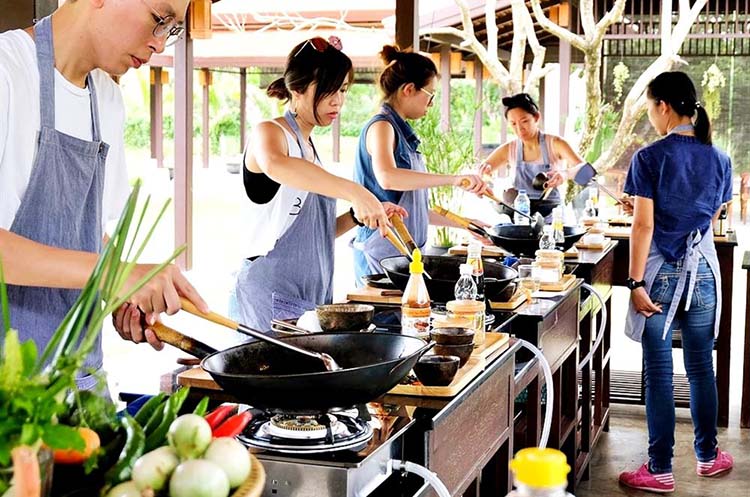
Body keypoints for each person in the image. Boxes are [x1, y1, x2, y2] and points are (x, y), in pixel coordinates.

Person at [0, 0, 209, 390]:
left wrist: (124, 290)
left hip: (79, 382)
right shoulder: (7, 72)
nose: (160, 44)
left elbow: (80, 233)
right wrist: (112, 275)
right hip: (10, 399)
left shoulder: (106, 100)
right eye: (159, 19)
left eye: (172, 29)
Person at [232, 36, 405, 331]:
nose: (337, 100)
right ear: (297, 88)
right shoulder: (270, 134)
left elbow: (315, 234)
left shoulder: (310, 149)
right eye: (327, 91)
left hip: (310, 300)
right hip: (268, 299)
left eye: (342, 90)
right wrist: (357, 192)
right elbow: (276, 164)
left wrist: (356, 216)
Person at [619, 71, 734, 493]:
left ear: (663, 106)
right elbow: (710, 218)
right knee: (703, 369)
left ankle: (659, 468)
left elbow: (643, 226)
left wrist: (634, 283)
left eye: (650, 107)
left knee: (660, 372)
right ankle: (708, 457)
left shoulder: (649, 157)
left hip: (660, 274)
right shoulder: (720, 158)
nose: (651, 116)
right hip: (703, 272)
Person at [352, 45, 487, 281]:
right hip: (382, 255)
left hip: (405, 254)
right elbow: (388, 176)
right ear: (409, 89)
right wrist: (453, 179)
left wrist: (466, 224)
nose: (431, 103)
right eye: (430, 94)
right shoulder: (381, 126)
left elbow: (413, 211)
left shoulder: (403, 134)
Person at [478, 93, 585, 218]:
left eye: (524, 121)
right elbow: (482, 175)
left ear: (536, 117)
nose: (519, 129)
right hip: (519, 217)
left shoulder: (555, 144)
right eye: (513, 124)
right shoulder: (509, 149)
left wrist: (565, 174)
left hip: (552, 217)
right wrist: (485, 174)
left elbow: (588, 172)